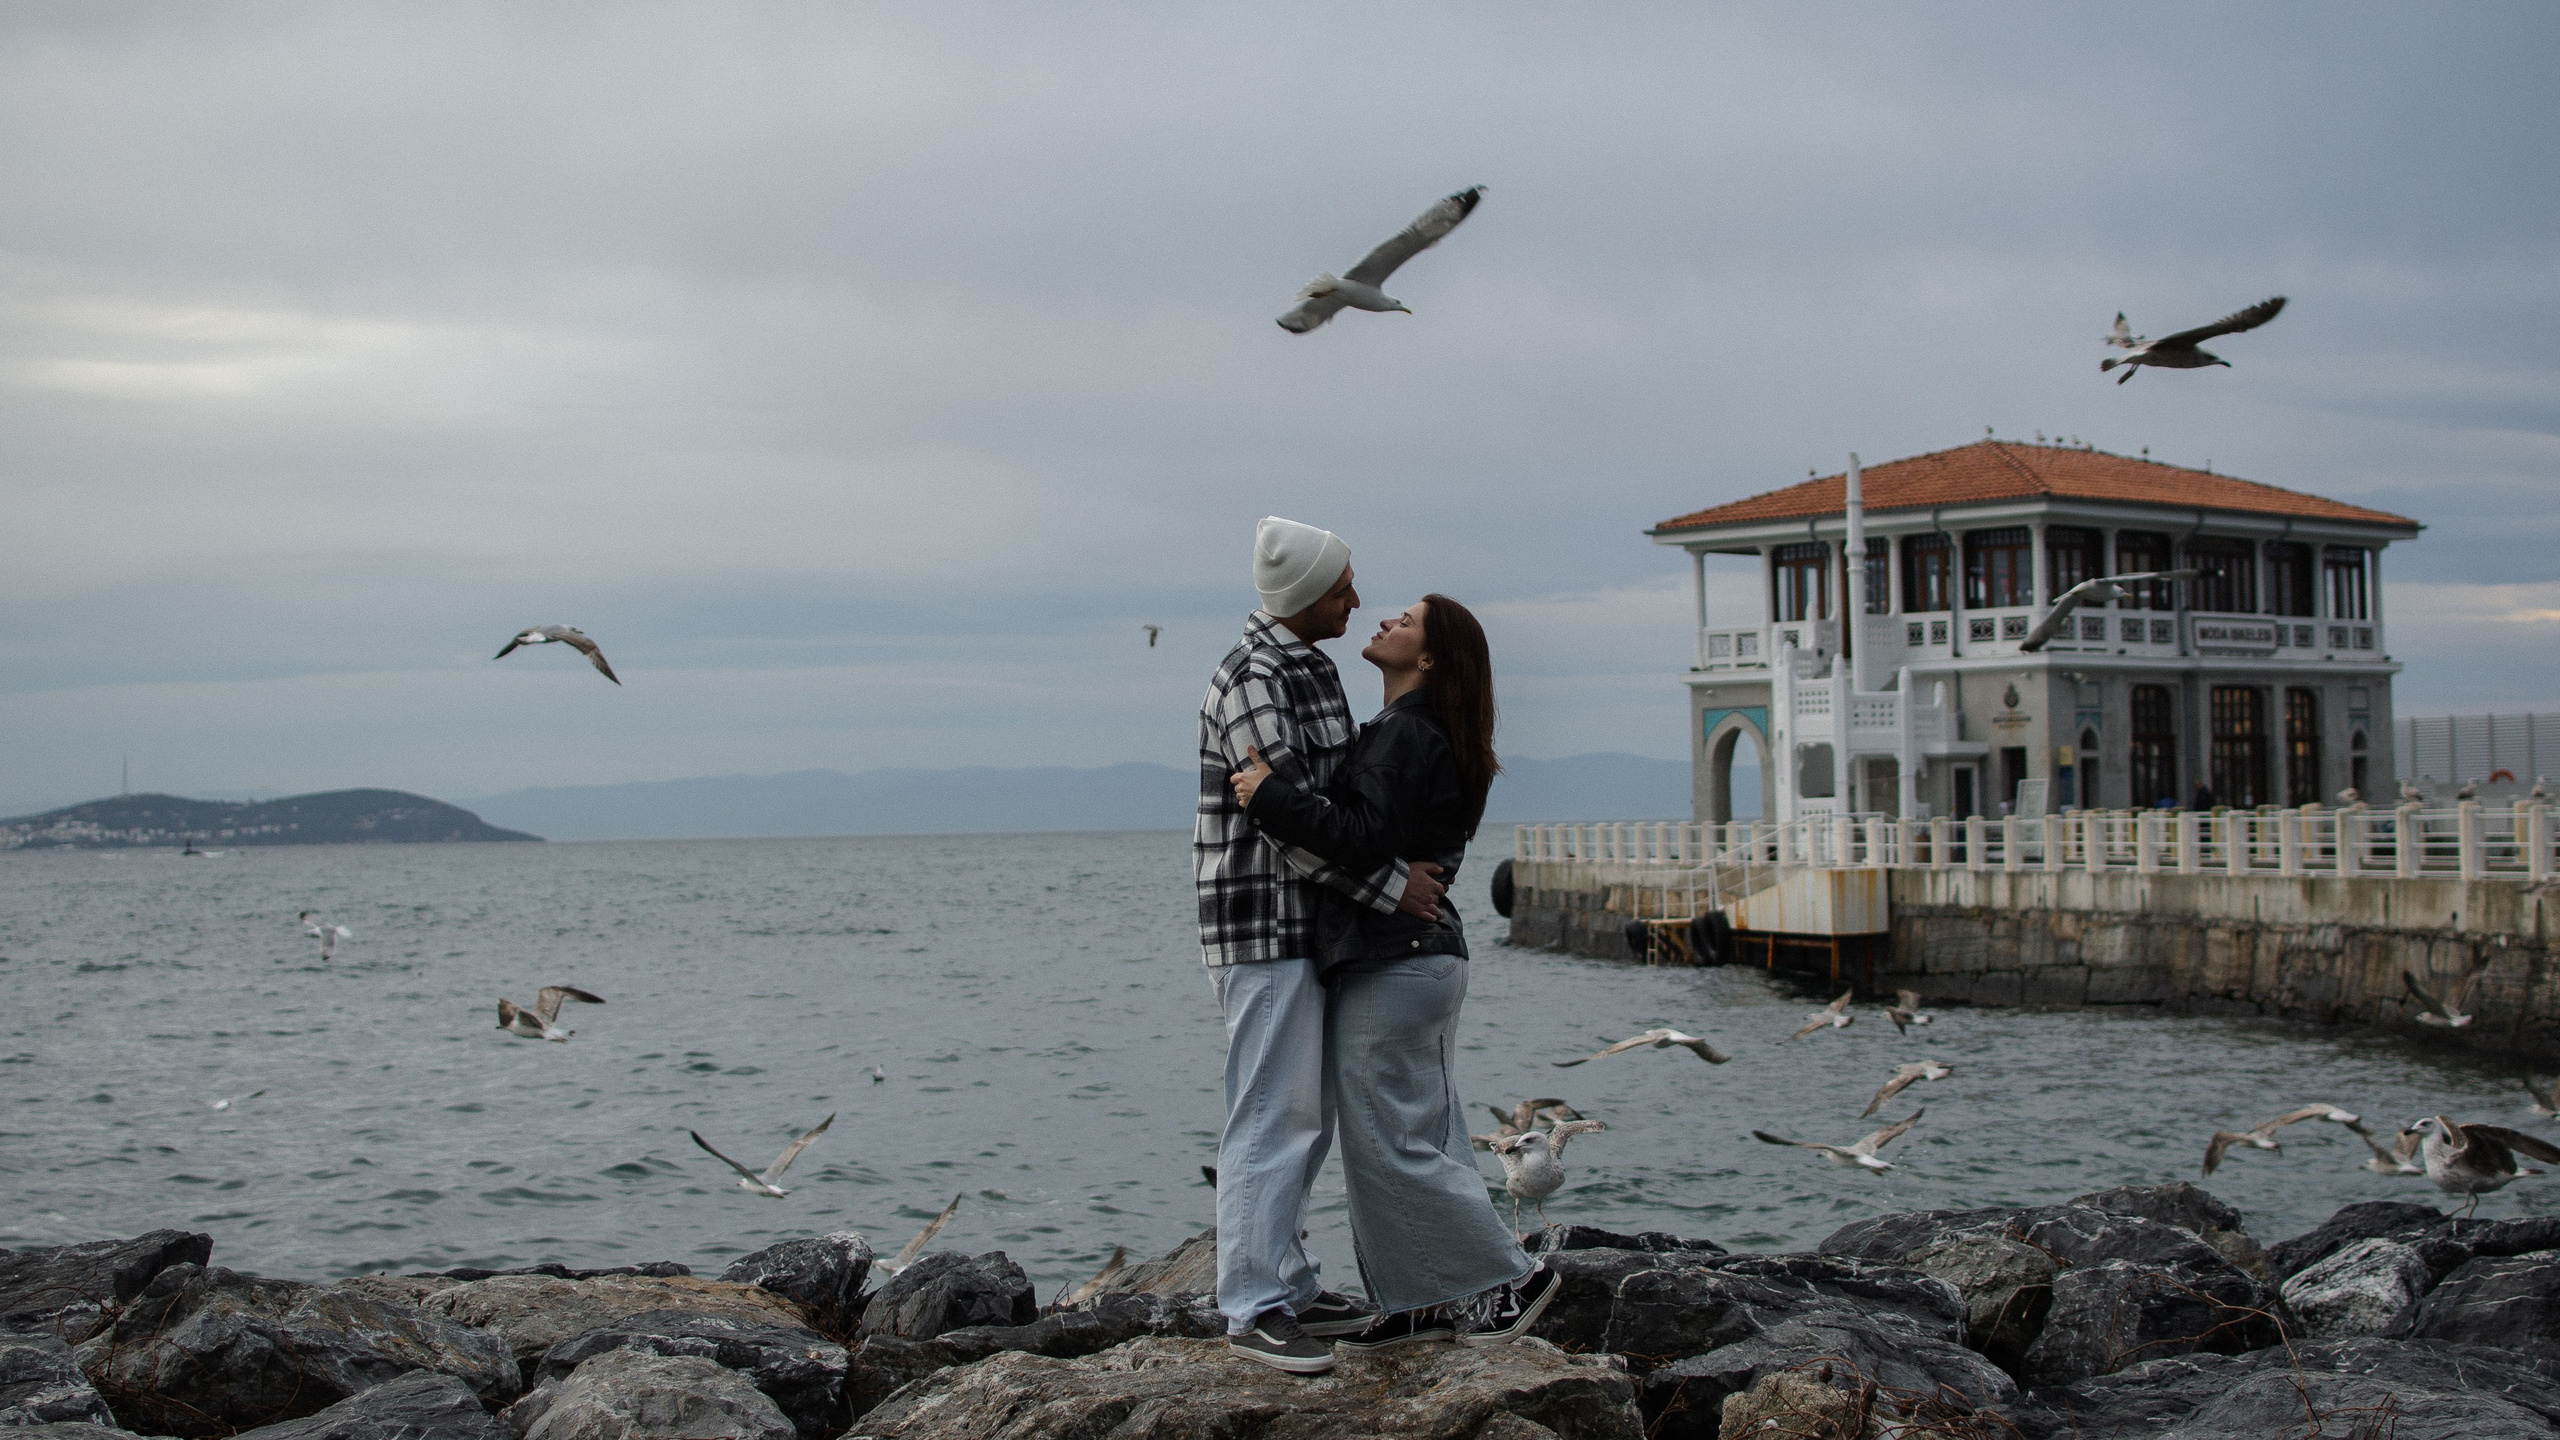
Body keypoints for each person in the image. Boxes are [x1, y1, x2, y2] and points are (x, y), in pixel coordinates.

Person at [1230, 594, 1562, 1351]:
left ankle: (1509, 1279)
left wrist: (1270, 796)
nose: (1383, 621)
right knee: (1424, 1131)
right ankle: (1423, 1302)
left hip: (1395, 960)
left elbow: (1361, 836)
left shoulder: (1406, 735)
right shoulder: (1418, 732)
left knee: (1388, 1139)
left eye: (1405, 622)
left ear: (1430, 658)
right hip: (1422, 960)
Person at [1195, 516, 1449, 1375]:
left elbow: (1337, 810)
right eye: (1343, 584)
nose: (1355, 598)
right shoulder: (1255, 675)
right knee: (1272, 1111)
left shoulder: (1308, 668)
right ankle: (1252, 1304)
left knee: (1303, 1112)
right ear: (1306, 593)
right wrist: (1394, 890)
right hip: (1261, 923)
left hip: (1306, 926)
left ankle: (1292, 1282)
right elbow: (1286, 826)